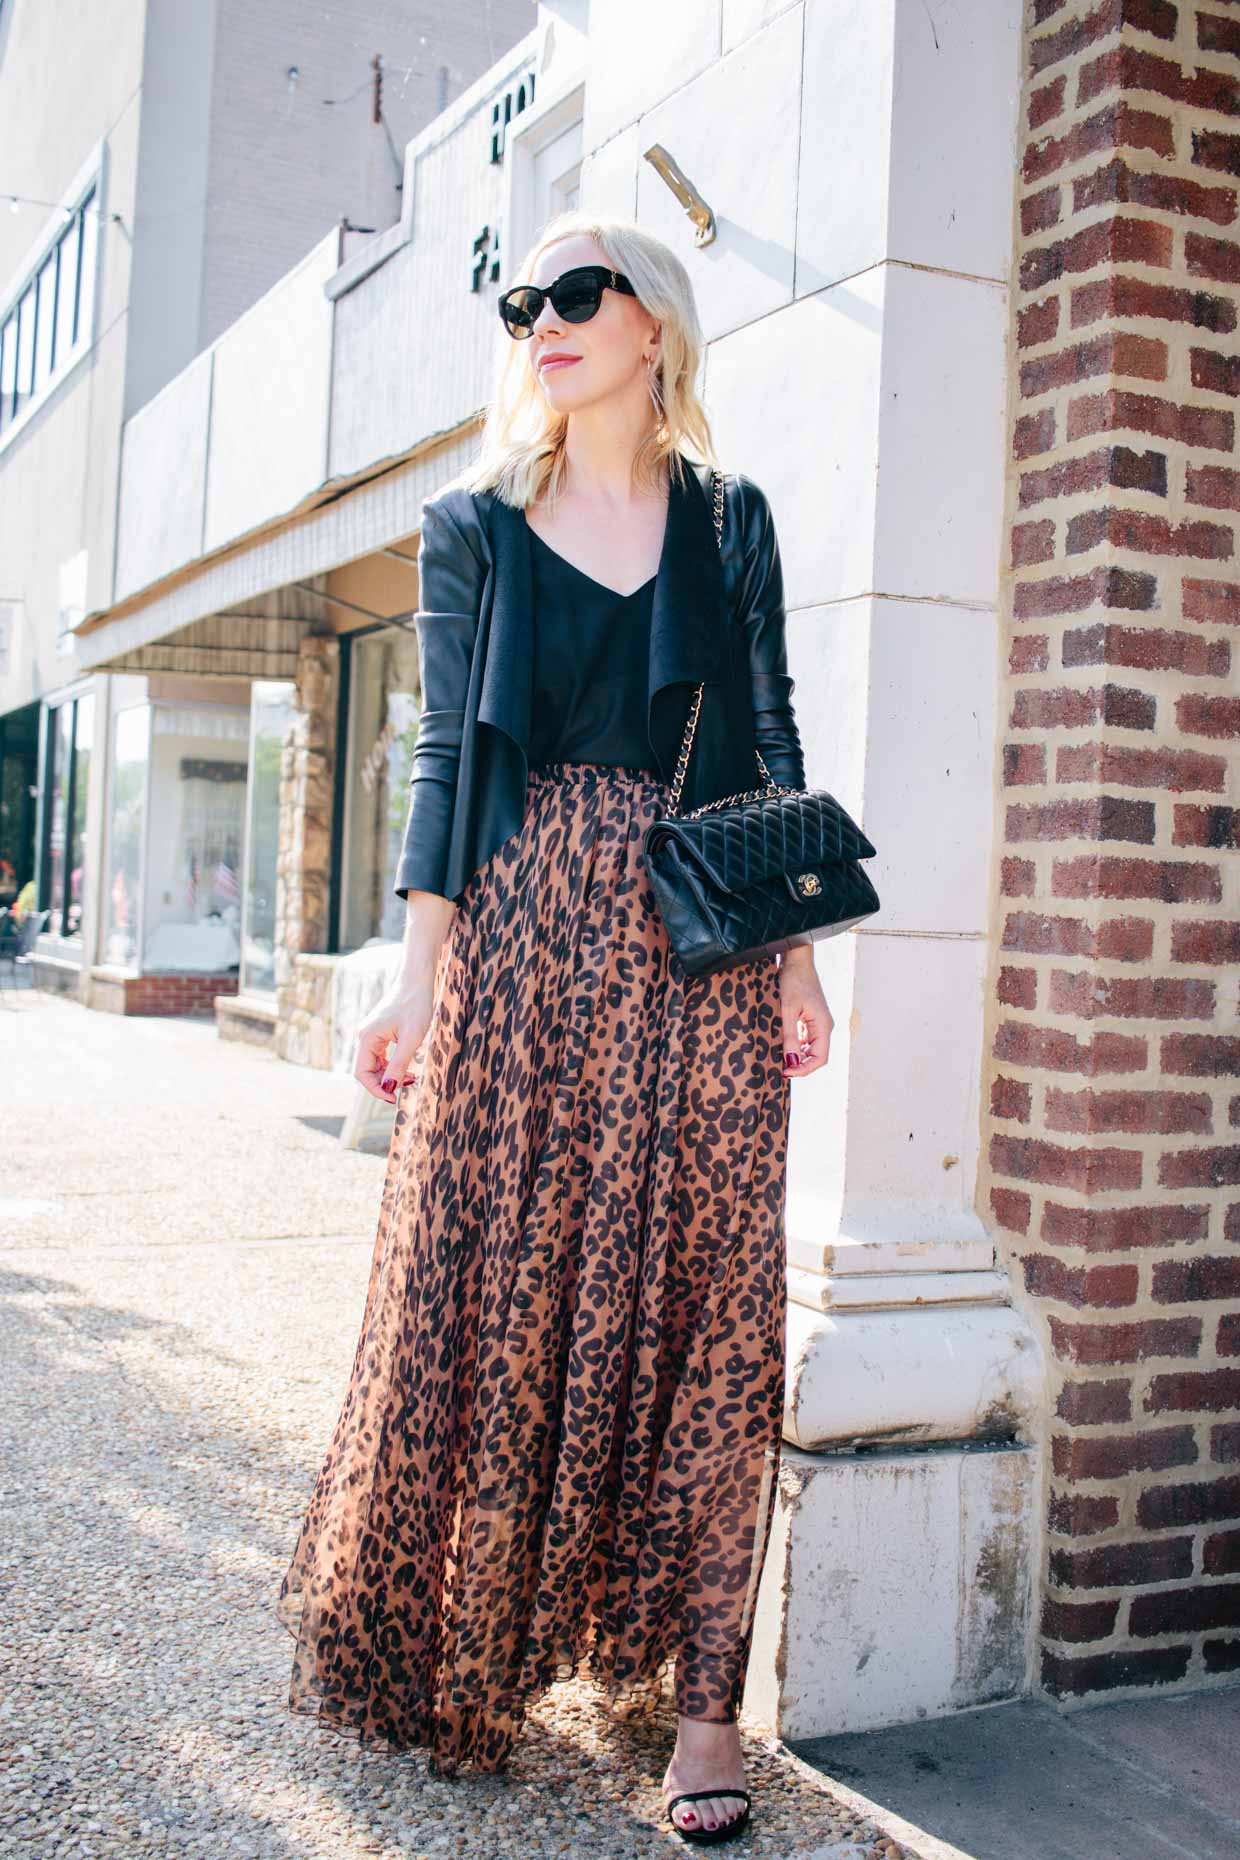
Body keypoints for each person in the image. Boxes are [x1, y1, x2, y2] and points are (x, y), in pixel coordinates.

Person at [274, 210, 833, 1845]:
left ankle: (704, 1713)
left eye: (579, 294)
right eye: (525, 302)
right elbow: (449, 762)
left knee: (713, 1294)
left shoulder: (733, 524)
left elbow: (772, 736)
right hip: (521, 937)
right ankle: (487, 1636)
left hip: (705, 942)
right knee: (513, 1286)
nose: (546, 321)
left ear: (652, 325)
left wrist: (796, 959)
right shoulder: (473, 527)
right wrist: (413, 972)